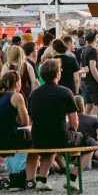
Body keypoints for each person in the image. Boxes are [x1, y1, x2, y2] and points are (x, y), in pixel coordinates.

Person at [28, 59, 93, 192]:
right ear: (57, 74)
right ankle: (73, 178)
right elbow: (74, 121)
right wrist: (72, 134)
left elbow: (31, 120)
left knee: (51, 144)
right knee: (91, 143)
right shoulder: (65, 92)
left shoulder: (33, 94)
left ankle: (41, 180)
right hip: (60, 136)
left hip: (38, 137)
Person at [81, 30, 98, 114]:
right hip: (91, 82)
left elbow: (84, 67)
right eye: (97, 36)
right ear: (94, 38)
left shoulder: (85, 50)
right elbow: (92, 67)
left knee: (89, 106)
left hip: (85, 81)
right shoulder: (92, 50)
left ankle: (82, 124)